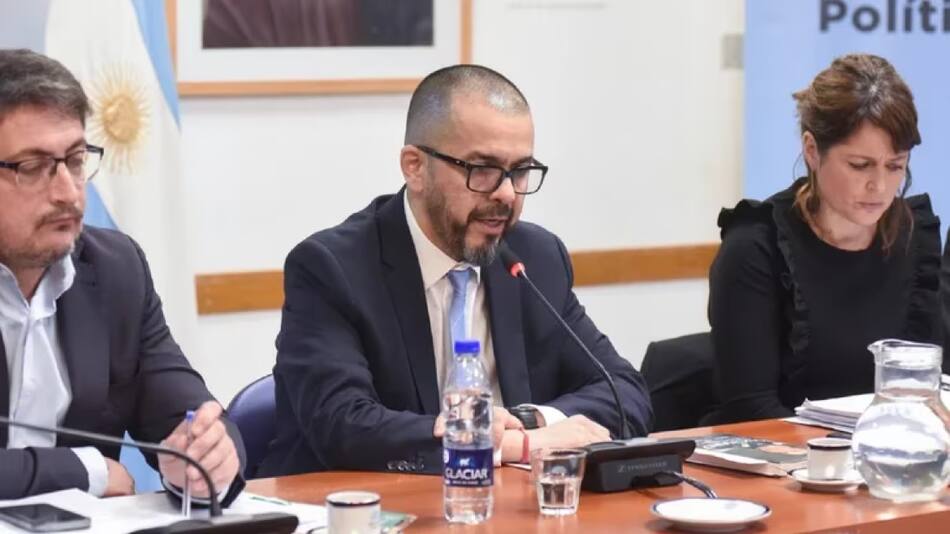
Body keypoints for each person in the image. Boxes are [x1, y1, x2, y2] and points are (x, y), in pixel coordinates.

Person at [259, 64, 653, 477]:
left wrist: (532, 422)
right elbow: (341, 424)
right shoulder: (333, 268)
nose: (505, 193)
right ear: (415, 167)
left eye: (519, 171)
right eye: (481, 169)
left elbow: (625, 391)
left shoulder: (534, 259)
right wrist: (515, 444)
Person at [0, 49, 245, 502]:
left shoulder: (115, 270)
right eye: (33, 168)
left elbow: (186, 410)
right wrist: (84, 468)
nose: (68, 192)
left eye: (75, 160)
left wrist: (204, 455)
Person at [704, 53, 945, 425]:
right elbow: (750, 411)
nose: (879, 186)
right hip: (791, 469)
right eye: (859, 165)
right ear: (812, 150)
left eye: (895, 166)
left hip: (895, 463)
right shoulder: (755, 248)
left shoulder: (916, 239)